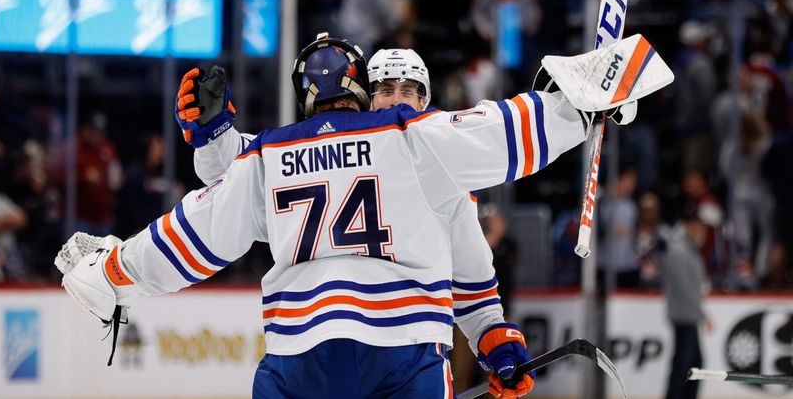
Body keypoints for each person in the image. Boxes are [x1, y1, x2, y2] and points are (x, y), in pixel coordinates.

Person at [55, 33, 664, 399]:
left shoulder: (270, 154)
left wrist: (113, 273)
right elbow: (510, 132)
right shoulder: (416, 138)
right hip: (401, 357)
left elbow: (196, 233)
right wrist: (588, 98)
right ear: (363, 82)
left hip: (299, 363)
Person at [181, 46, 527, 398]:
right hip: (358, 353)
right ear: (360, 94)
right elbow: (232, 169)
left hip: (376, 354)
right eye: (385, 90)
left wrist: (493, 336)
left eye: (408, 91)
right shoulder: (304, 148)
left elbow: (471, 279)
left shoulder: (439, 163)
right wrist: (214, 136)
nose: (396, 102)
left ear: (425, 101)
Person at [660, 209, 712, 399]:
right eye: (699, 228)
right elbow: (684, 288)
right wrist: (702, 314)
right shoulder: (679, 251)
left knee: (693, 363)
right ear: (689, 227)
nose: (703, 233)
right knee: (685, 364)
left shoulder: (689, 250)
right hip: (684, 315)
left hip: (689, 315)